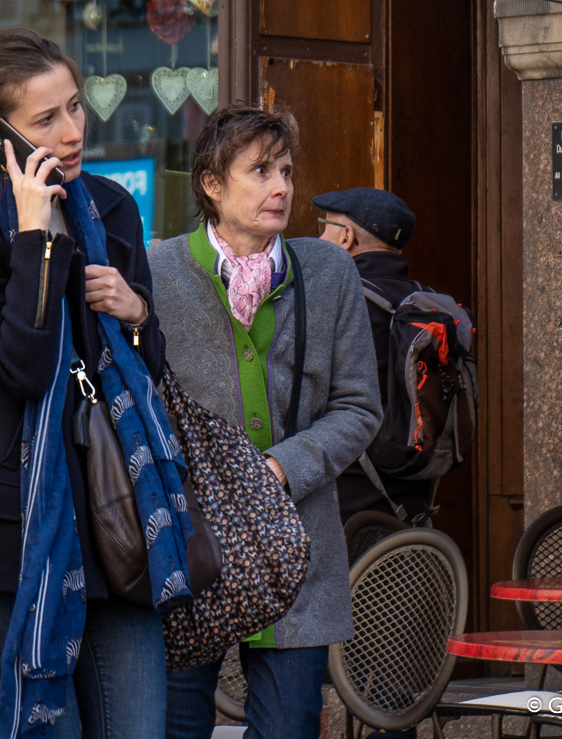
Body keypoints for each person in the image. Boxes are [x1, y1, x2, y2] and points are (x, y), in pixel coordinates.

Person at [0, 28, 181, 739]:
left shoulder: (110, 208)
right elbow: (18, 367)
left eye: (75, 107)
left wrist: (137, 314)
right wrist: (35, 243)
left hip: (116, 520)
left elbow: (141, 370)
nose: (72, 132)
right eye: (46, 119)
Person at [148, 102, 382, 739]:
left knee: (288, 729)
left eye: (285, 169)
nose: (281, 187)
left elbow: (361, 406)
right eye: (259, 171)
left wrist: (279, 469)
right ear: (212, 185)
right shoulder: (157, 272)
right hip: (188, 550)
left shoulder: (329, 271)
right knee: (176, 728)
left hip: (296, 551)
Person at [312, 187, 435, 525]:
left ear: (346, 237)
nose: (319, 237)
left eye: (324, 226)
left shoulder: (336, 303)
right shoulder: (427, 303)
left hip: (346, 514)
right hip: (415, 508)